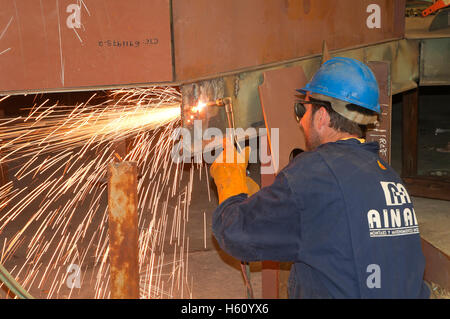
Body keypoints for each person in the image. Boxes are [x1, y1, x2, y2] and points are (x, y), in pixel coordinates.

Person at [209, 57, 430, 298]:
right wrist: (262, 203)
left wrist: (229, 184)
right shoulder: (389, 177)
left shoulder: (314, 173)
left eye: (302, 110)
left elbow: (235, 234)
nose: (301, 121)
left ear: (322, 116)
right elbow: (333, 224)